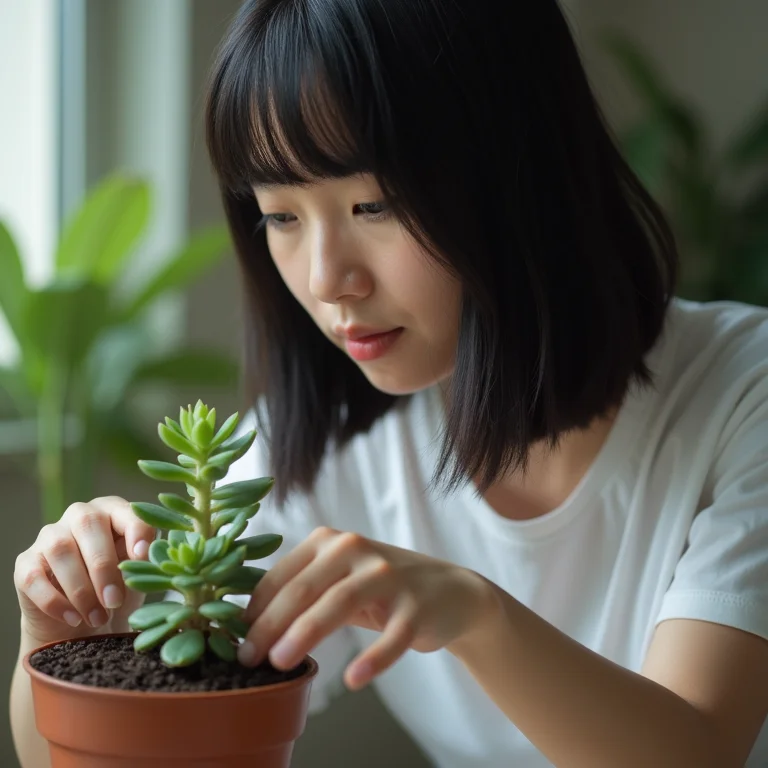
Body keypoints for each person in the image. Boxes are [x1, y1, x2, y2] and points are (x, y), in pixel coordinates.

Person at [11, 0, 768, 765]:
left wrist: (477, 616)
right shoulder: (322, 445)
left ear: (522, 172)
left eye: (373, 204)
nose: (325, 279)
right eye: (280, 216)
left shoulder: (746, 392)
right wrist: (65, 643)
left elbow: (699, 749)